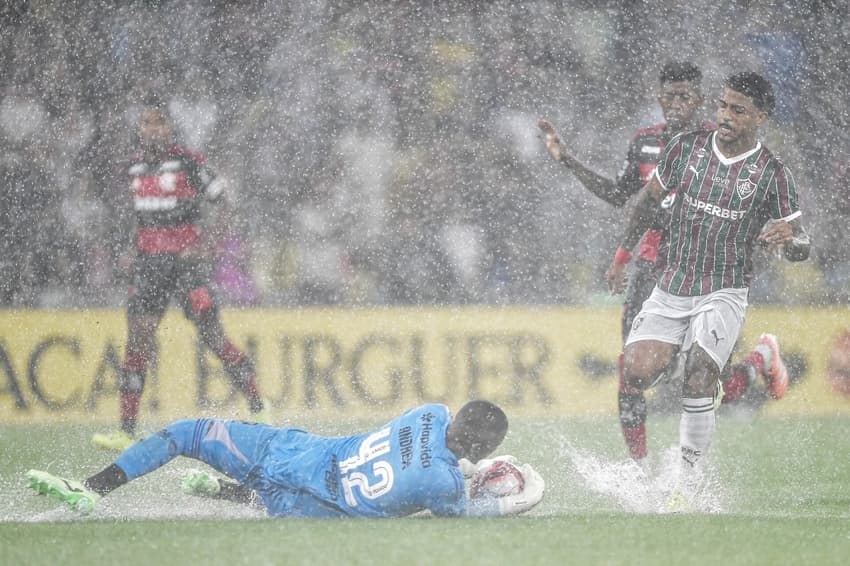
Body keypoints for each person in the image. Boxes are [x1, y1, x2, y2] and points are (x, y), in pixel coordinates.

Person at [538, 62, 791, 461]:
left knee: (712, 385)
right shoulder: (644, 143)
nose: (675, 104)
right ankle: (639, 471)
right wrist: (568, 160)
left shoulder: (720, 144)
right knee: (632, 372)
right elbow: (621, 196)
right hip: (652, 270)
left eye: (683, 96)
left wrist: (768, 236)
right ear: (658, 98)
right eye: (668, 96)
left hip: (706, 273)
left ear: (700, 100)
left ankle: (758, 361)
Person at [605, 72, 810, 497]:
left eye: (738, 110)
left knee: (699, 377)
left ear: (760, 117)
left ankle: (688, 481)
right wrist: (623, 254)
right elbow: (646, 202)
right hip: (672, 283)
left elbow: (801, 242)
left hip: (724, 288)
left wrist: (791, 240)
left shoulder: (772, 173)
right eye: (722, 106)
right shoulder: (686, 148)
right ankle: (757, 361)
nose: (726, 116)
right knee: (637, 373)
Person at [92, 93, 266, 451]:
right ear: (139, 128)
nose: (153, 129)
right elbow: (127, 216)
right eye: (147, 122)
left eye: (159, 122)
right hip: (149, 266)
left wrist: (207, 245)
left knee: (213, 337)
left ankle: (259, 407)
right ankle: (126, 431)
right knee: (137, 341)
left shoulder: (188, 162)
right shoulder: (131, 168)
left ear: (170, 126)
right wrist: (127, 250)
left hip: (187, 266)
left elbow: (225, 203)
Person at [27, 400, 545, 518]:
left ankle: (91, 489)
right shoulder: (442, 486)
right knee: (288, 505)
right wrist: (519, 499)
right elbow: (466, 509)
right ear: (482, 451)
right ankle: (231, 493)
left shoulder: (429, 413)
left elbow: (432, 450)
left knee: (186, 433)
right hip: (306, 504)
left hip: (292, 451)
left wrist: (467, 460)